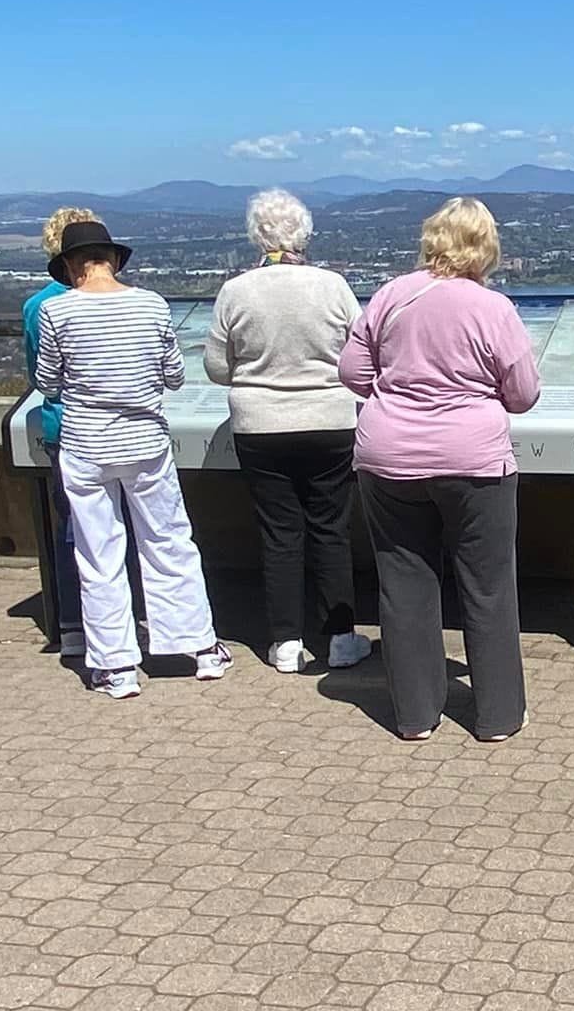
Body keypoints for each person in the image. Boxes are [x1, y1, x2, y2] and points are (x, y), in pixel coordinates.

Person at [340, 197, 541, 743]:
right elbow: (522, 394)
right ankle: (498, 715)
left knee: (403, 583)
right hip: (474, 460)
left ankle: (414, 715)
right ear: (486, 248)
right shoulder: (492, 308)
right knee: (488, 586)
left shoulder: (390, 296)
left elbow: (353, 373)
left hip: (387, 458)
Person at [34, 220, 231, 699]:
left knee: (98, 553)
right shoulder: (151, 304)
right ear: (115, 260)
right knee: (168, 540)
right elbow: (173, 376)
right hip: (145, 442)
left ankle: (116, 665)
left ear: (69, 266)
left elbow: (48, 382)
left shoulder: (56, 313)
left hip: (86, 446)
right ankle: (199, 647)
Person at [206, 189, 372, 676]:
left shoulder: (235, 291)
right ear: (304, 233)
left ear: (256, 235)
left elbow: (218, 368)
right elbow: (360, 354)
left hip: (259, 425)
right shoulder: (333, 286)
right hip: (330, 420)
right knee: (331, 529)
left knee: (279, 534)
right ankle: (340, 638)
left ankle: (284, 641)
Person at [23, 205, 97, 655]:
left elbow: (40, 375)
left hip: (60, 426)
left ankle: (71, 624)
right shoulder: (114, 299)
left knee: (71, 527)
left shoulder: (37, 306)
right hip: (108, 431)